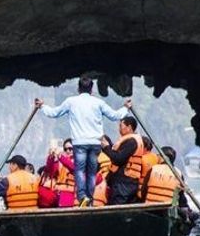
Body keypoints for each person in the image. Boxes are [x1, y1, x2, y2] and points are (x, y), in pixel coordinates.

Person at [35, 78, 131, 207]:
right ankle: (89, 199)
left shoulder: (71, 102)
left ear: (78, 89)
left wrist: (42, 106)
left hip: (79, 142)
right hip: (95, 142)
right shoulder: (98, 102)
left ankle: (82, 197)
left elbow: (54, 113)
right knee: (91, 172)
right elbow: (115, 115)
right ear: (92, 89)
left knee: (79, 170)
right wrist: (125, 108)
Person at [102, 116, 145, 205]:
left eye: (121, 126)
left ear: (129, 127)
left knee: (117, 207)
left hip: (124, 182)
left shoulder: (132, 141)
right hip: (127, 181)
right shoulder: (131, 140)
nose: (119, 129)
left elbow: (119, 158)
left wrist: (106, 148)